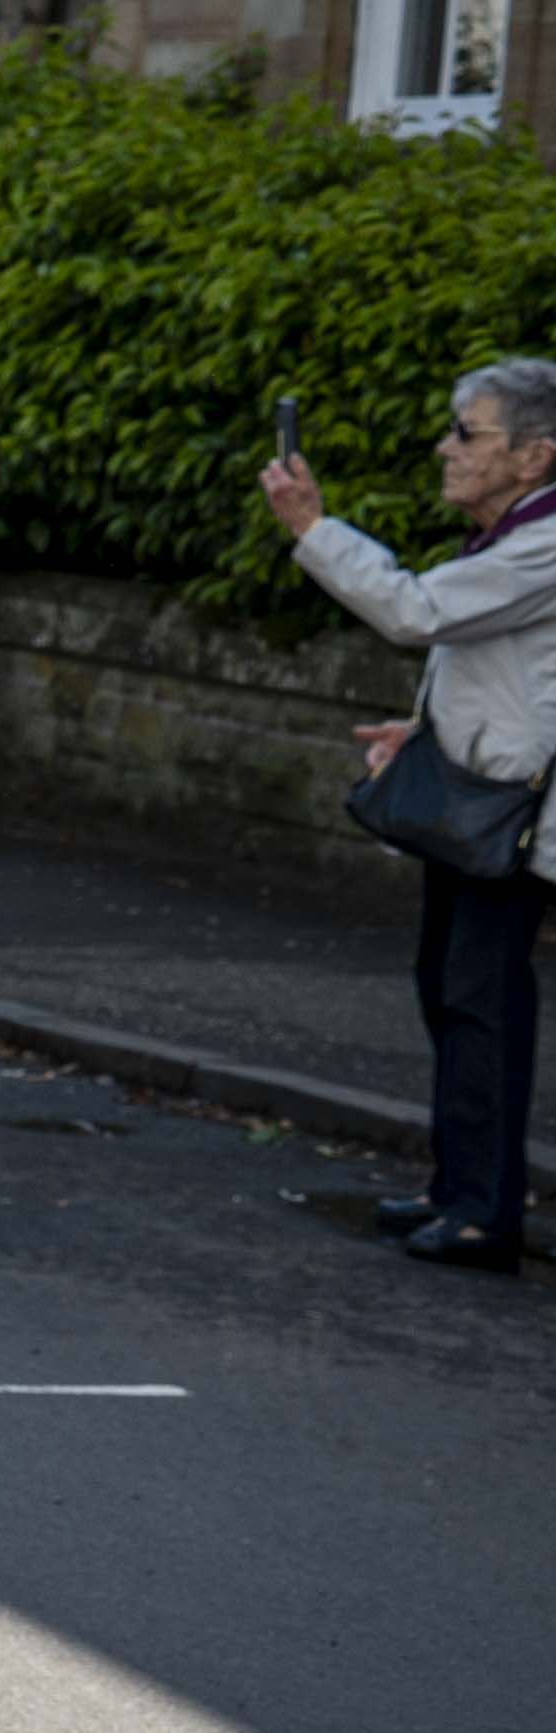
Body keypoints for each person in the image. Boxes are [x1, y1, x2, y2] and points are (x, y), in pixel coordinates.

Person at [264, 360, 556, 1272]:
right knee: (449, 988)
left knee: (482, 1003)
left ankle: (483, 1212)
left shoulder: (544, 543)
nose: (446, 447)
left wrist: (313, 530)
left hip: (513, 817)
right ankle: (457, 1185)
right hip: (479, 799)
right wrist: (426, 727)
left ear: (535, 454)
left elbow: (420, 612)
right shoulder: (515, 533)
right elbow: (514, 671)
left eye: (468, 434)